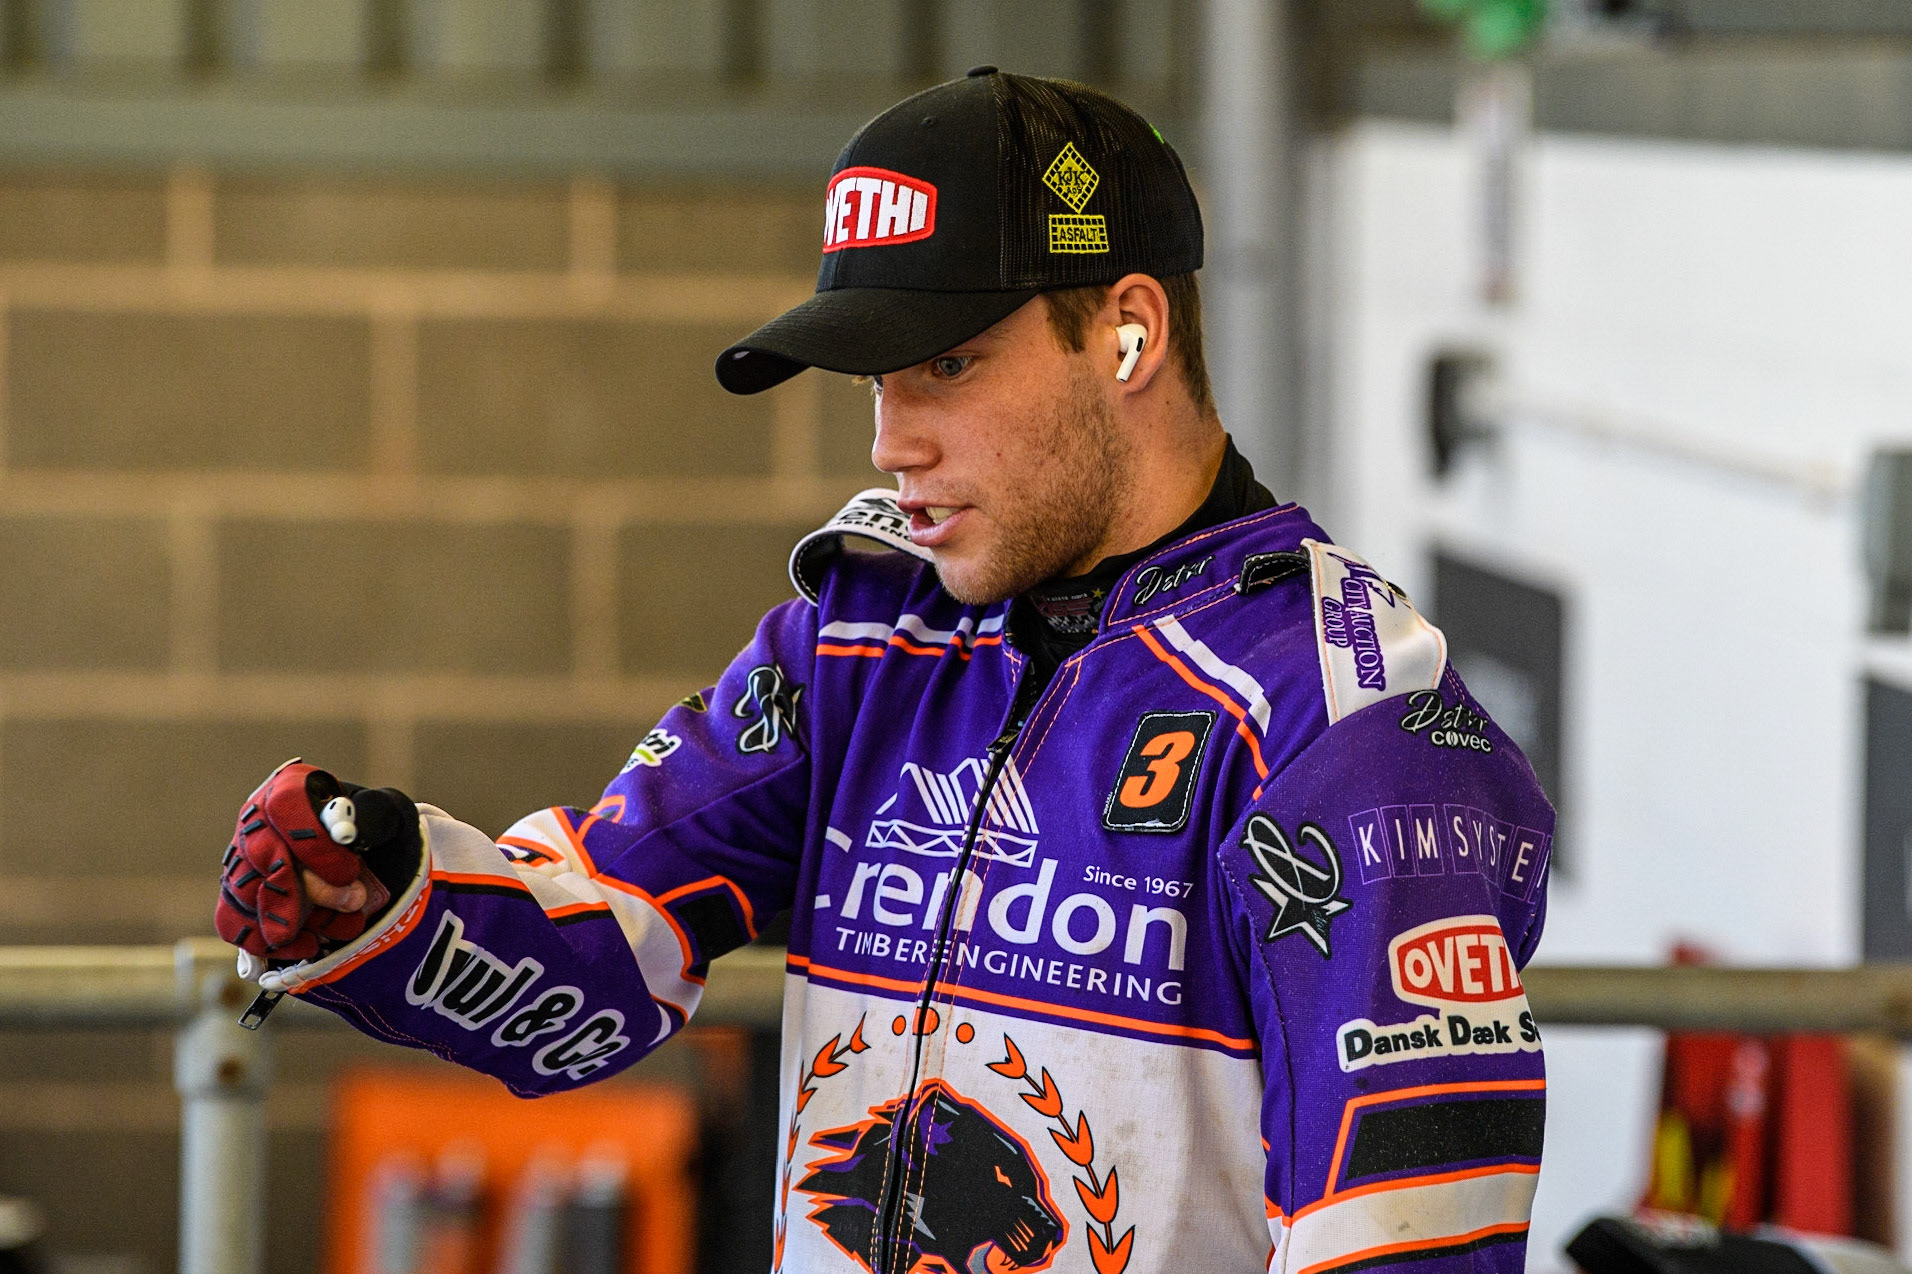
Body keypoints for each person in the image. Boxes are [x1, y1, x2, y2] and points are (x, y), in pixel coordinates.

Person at [215, 69, 1553, 1274]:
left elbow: (1412, 1250)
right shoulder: (865, 643)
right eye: (872, 375)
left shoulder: (1347, 724)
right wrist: (388, 895)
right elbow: (612, 940)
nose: (891, 439)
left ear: (1129, 332)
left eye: (949, 364)